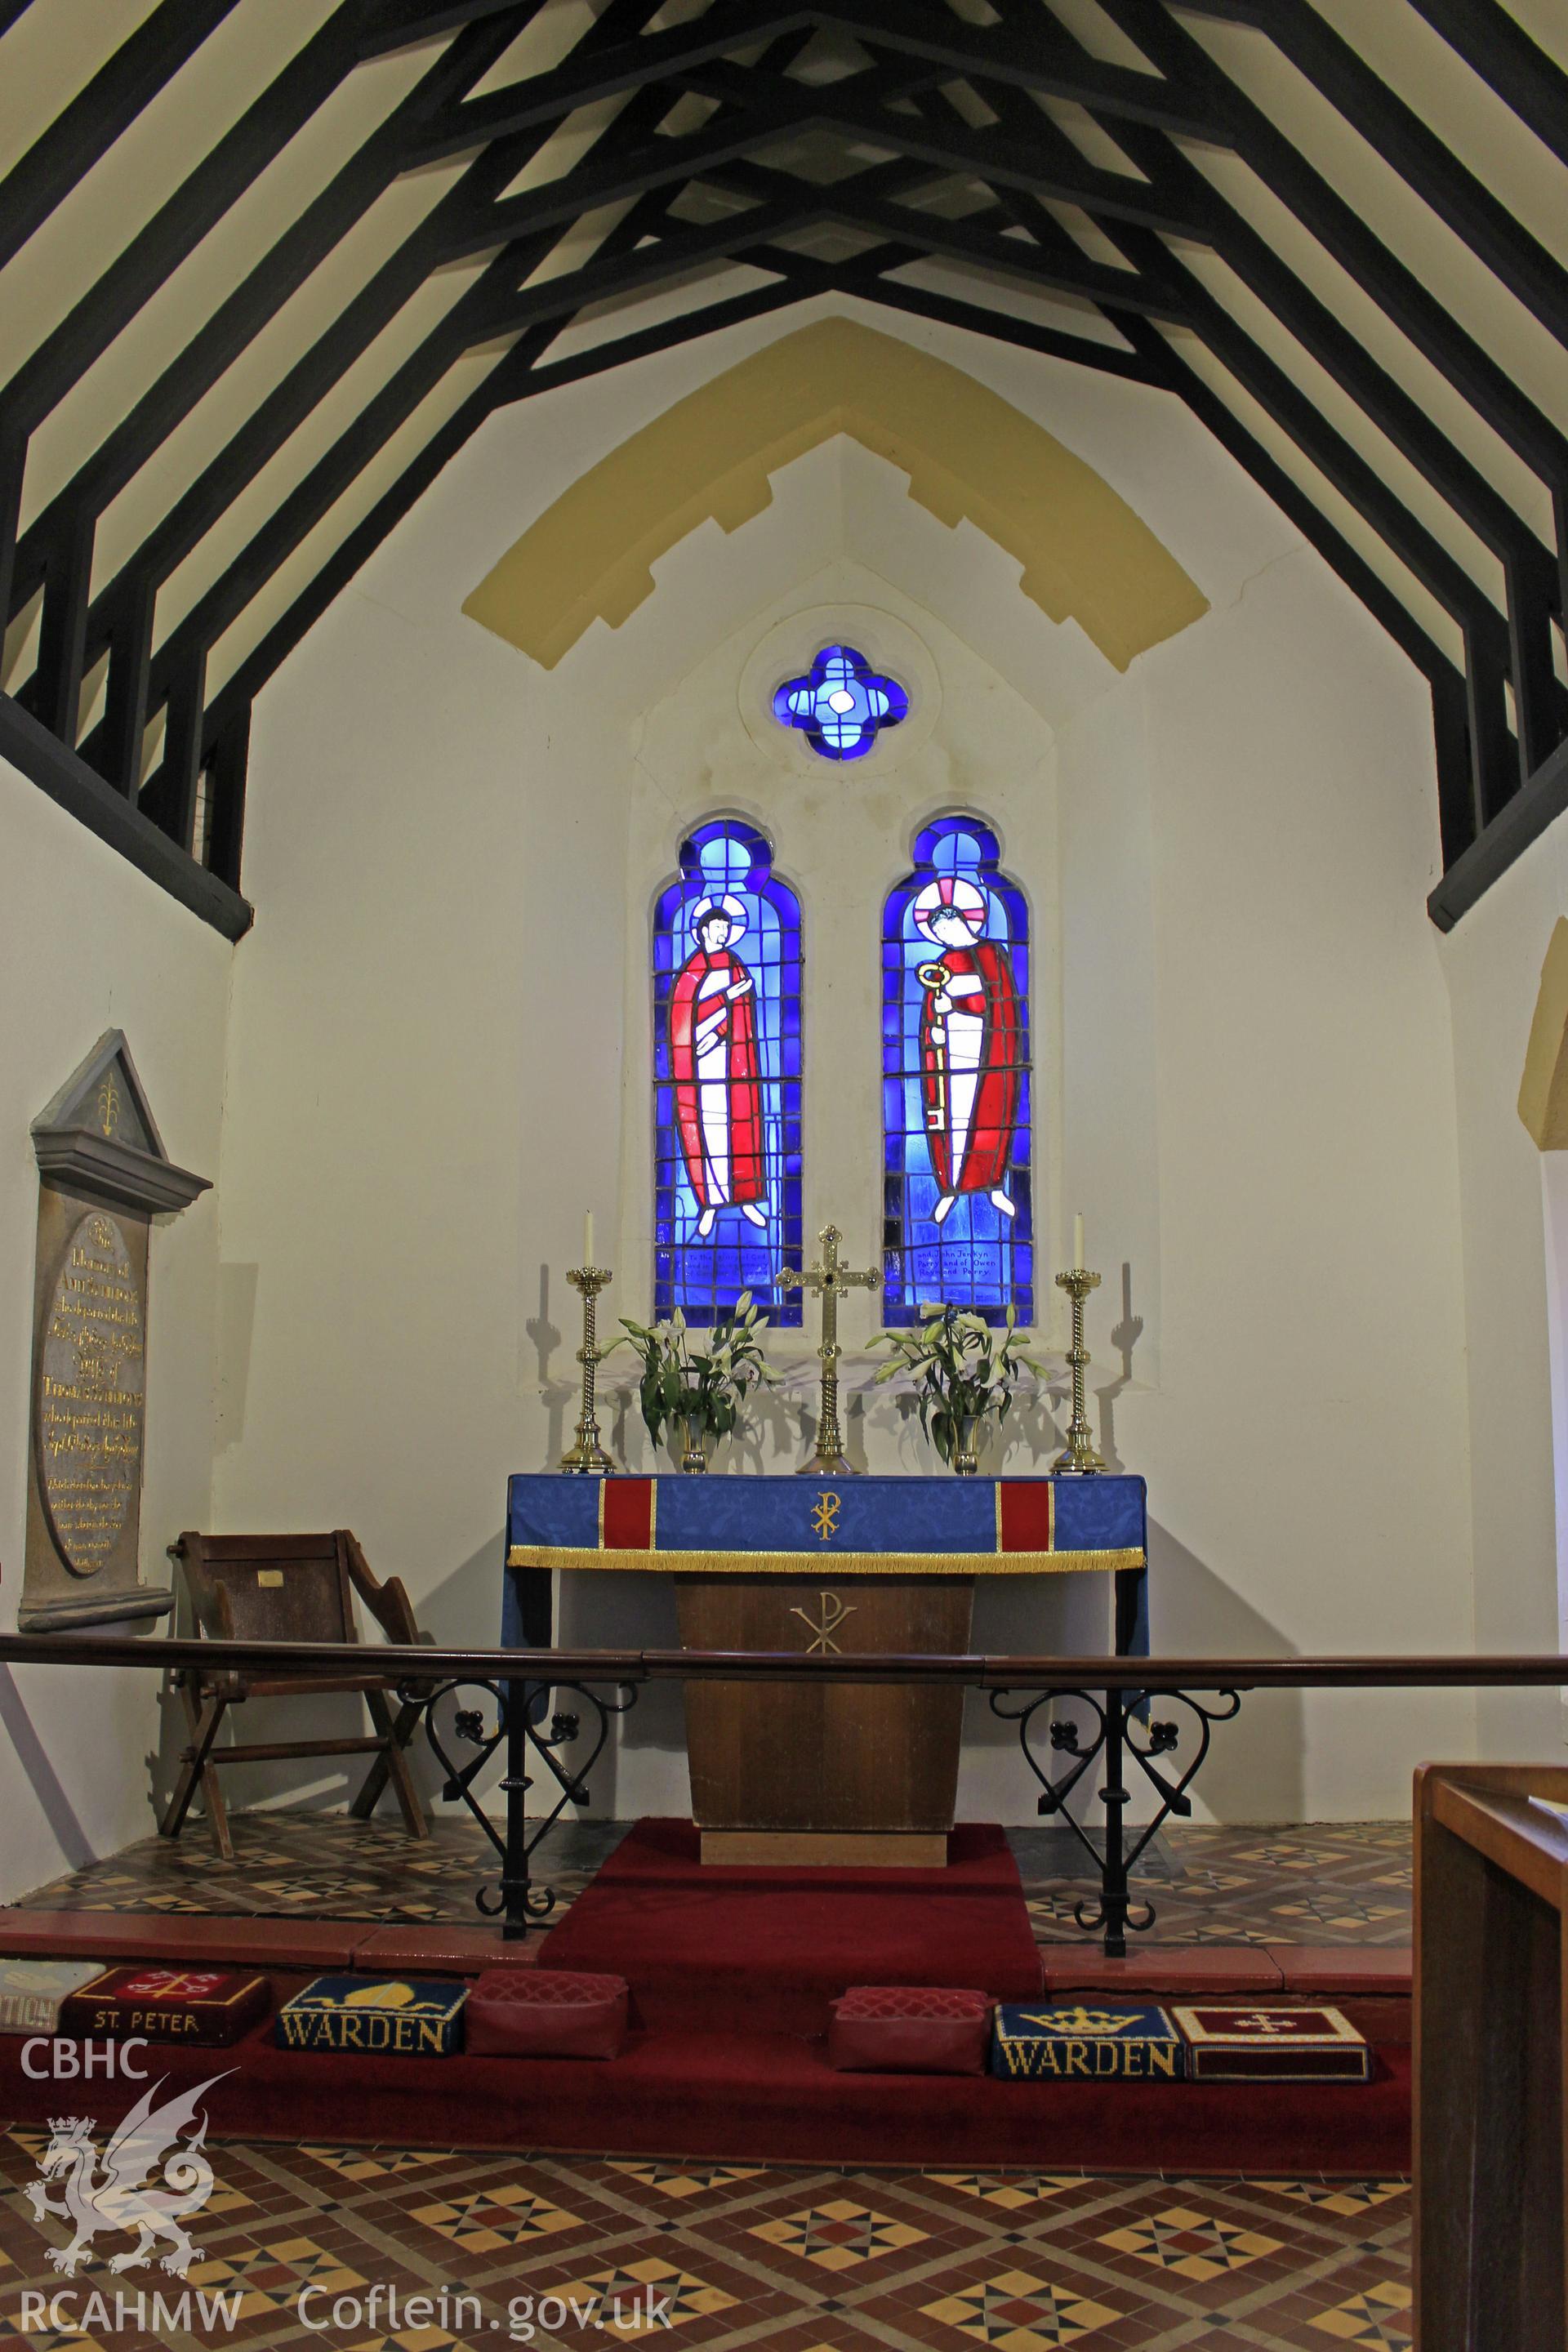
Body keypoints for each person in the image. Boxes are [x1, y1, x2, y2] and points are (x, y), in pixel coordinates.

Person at [913, 875, 1022, 1225]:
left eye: (948, 928)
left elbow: (1001, 1003)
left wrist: (959, 1006)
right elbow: (931, 1012)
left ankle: (993, 1186)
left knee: (991, 1119)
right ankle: (950, 1188)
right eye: (939, 934)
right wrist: (939, 1017)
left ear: (961, 920)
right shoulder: (941, 965)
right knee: (952, 1124)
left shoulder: (992, 955)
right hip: (951, 1056)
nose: (945, 937)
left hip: (988, 1053)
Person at [670, 894, 769, 1238]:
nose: (722, 933)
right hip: (703, 1069)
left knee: (740, 1131)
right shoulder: (690, 974)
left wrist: (721, 1029)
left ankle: (746, 1198)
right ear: (702, 933)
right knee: (709, 1131)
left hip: (734, 1065)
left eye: (726, 927)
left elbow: (743, 1014)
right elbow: (684, 1020)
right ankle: (710, 1203)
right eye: (716, 927)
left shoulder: (737, 966)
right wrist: (722, 1005)